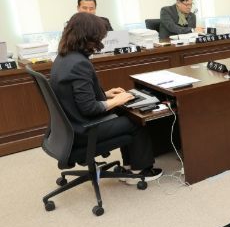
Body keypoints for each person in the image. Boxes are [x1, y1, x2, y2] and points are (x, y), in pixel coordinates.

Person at [50, 13, 162, 182]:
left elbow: (73, 95)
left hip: (68, 128)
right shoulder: (79, 63)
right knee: (136, 121)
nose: (100, 41)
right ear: (89, 36)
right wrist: (116, 101)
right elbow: (89, 108)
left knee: (123, 111)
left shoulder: (63, 57)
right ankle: (140, 171)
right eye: (99, 36)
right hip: (84, 130)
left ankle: (129, 166)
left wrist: (106, 94)